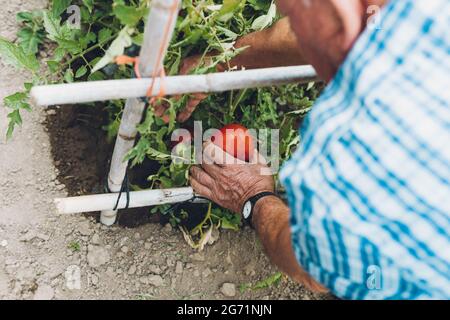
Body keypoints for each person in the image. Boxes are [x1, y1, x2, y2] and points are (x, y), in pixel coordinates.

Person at [187, 0, 450, 299]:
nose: (291, 23)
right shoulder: (428, 12)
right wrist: (223, 62)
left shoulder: (346, 148)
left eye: (292, 16)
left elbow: (312, 262)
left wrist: (252, 196)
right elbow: (329, 30)